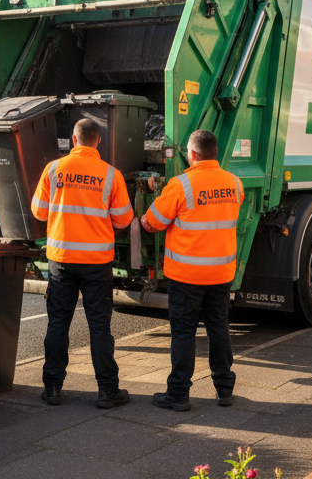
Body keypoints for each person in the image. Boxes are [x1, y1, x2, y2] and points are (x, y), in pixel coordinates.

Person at [30, 118, 134, 409]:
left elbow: (38, 212)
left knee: (58, 324)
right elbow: (124, 219)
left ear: (73, 140)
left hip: (61, 260)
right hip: (96, 262)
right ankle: (107, 391)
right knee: (99, 327)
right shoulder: (111, 175)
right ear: (98, 141)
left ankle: (52, 388)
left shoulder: (53, 169)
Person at [142, 130, 242, 412]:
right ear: (215, 153)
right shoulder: (234, 183)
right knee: (219, 329)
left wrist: (155, 200)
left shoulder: (181, 184)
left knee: (184, 333)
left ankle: (178, 394)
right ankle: (224, 390)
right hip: (221, 274)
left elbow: (153, 222)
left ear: (193, 154)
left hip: (187, 277)